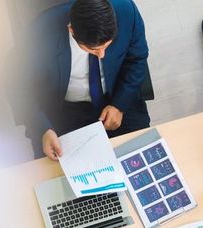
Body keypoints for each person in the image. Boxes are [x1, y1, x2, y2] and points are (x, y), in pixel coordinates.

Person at [11, 0, 150, 160]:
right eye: (93, 49)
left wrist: (119, 105)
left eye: (107, 46)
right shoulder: (38, 34)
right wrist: (42, 129)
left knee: (141, 159)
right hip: (62, 111)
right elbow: (18, 86)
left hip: (117, 97)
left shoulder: (126, 11)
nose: (101, 54)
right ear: (71, 30)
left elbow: (137, 59)